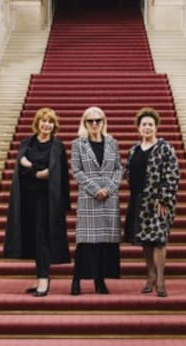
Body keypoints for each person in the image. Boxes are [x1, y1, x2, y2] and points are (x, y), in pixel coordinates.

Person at [3, 107, 70, 297]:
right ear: (37, 122)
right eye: (43, 120)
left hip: (47, 199)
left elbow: (59, 174)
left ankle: (43, 280)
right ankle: (40, 277)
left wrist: (30, 167)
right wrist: (35, 170)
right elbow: (22, 171)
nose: (46, 124)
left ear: (54, 125)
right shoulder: (26, 143)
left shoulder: (57, 147)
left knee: (43, 238)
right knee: (33, 238)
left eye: (50, 121)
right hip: (27, 199)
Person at [124, 107, 179, 297]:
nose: (147, 128)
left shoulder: (165, 148)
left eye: (150, 124)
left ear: (156, 127)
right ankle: (150, 276)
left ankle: (161, 280)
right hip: (138, 200)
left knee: (159, 240)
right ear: (138, 128)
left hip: (157, 202)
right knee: (145, 241)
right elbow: (127, 174)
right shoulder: (134, 150)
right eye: (144, 124)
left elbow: (172, 175)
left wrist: (164, 199)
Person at [70, 106, 121, 295]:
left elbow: (118, 169)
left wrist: (108, 189)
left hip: (108, 199)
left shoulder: (112, 143)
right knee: (85, 243)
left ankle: (100, 281)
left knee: (103, 244)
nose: (94, 124)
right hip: (89, 199)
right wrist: (94, 189)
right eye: (90, 121)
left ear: (103, 122)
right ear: (84, 123)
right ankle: (76, 280)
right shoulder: (78, 144)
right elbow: (76, 171)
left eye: (97, 120)